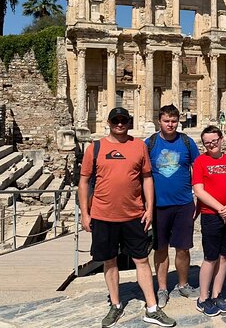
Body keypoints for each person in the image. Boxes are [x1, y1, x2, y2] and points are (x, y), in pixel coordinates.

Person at [78, 107, 176, 328]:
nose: (120, 124)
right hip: (103, 215)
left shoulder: (139, 146)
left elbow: (147, 178)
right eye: (116, 120)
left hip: (134, 214)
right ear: (109, 122)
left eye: (123, 120)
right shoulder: (95, 148)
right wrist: (85, 213)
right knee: (109, 260)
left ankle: (152, 307)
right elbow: (83, 183)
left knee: (141, 259)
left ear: (129, 122)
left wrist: (149, 208)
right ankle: (115, 304)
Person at [145, 104, 201, 308]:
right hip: (159, 205)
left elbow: (198, 169)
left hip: (184, 203)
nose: (170, 124)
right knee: (160, 249)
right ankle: (161, 288)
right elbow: (143, 175)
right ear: (159, 121)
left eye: (174, 121)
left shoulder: (187, 142)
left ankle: (183, 284)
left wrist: (198, 198)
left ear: (179, 121)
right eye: (167, 121)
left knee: (183, 248)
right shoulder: (150, 143)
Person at [192, 125, 226, 316]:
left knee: (223, 256)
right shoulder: (200, 161)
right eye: (207, 143)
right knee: (210, 257)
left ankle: (216, 294)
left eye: (214, 141)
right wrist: (221, 209)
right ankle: (203, 298)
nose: (211, 145)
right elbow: (199, 190)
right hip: (212, 215)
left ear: (221, 139)